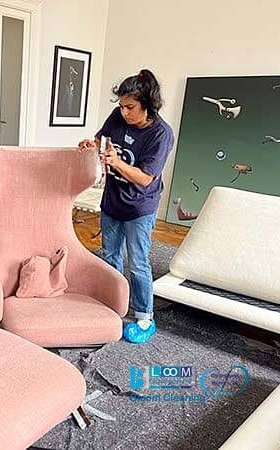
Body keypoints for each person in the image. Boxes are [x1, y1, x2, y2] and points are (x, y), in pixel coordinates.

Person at [78, 69, 174, 344]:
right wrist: (91, 144)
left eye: (130, 107)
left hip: (139, 208)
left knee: (138, 263)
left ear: (148, 105)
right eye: (121, 106)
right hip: (112, 201)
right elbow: (101, 139)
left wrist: (118, 162)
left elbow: (145, 178)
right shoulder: (118, 116)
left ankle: (145, 317)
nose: (124, 112)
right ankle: (113, 303)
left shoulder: (160, 134)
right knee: (110, 256)